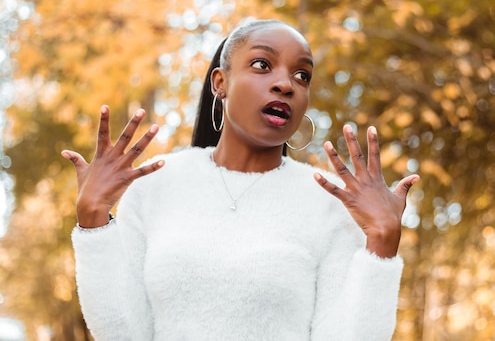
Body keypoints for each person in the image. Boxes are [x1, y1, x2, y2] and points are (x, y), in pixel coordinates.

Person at [63, 19, 420, 341]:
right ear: (221, 82)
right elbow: (123, 332)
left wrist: (381, 244)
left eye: (302, 76)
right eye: (262, 65)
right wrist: (93, 221)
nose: (286, 84)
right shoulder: (155, 183)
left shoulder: (331, 202)